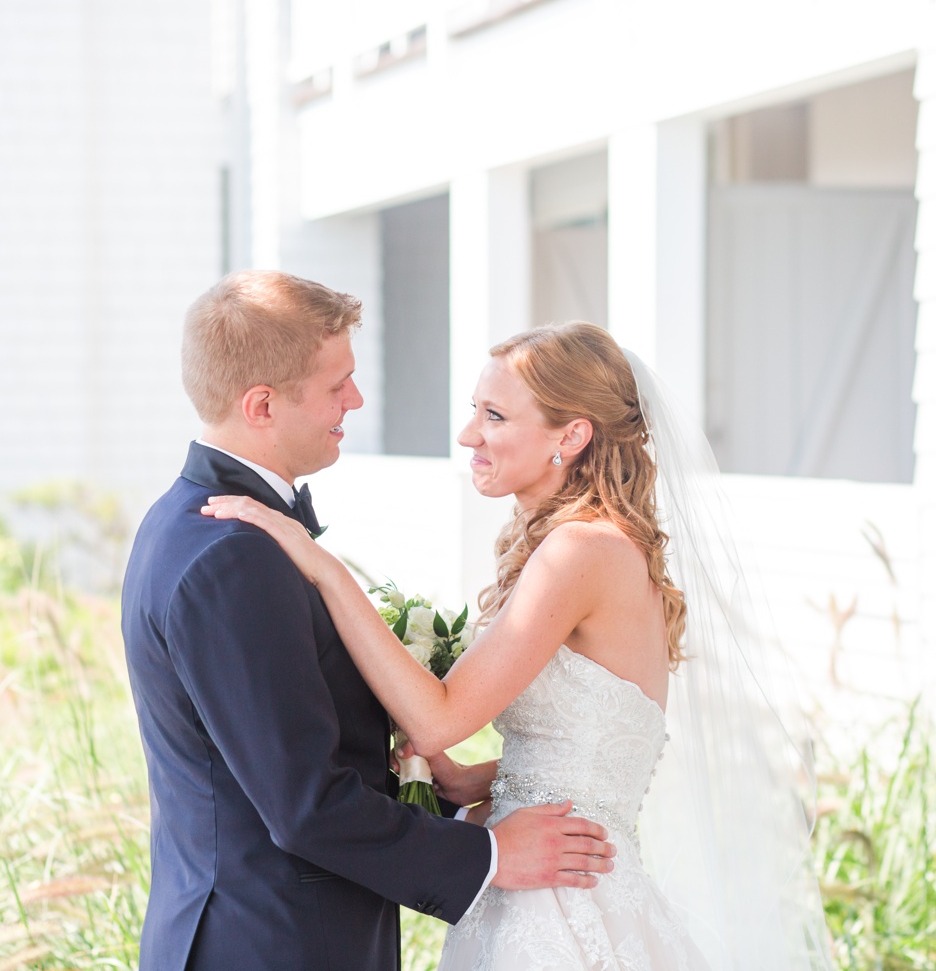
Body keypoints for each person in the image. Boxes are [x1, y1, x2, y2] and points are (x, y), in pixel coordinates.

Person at [206, 320, 836, 970]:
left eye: (495, 416)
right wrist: (473, 777)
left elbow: (440, 716)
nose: (467, 435)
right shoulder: (588, 542)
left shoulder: (581, 550)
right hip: (550, 877)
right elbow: (603, 750)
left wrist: (322, 568)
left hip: (562, 909)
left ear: (571, 435)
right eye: (474, 411)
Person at [121, 272, 617, 971]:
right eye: (336, 386)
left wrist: (454, 796)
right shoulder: (233, 554)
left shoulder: (197, 525)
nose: (354, 400)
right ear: (261, 405)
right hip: (270, 946)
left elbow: (302, 751)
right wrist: (494, 854)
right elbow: (304, 805)